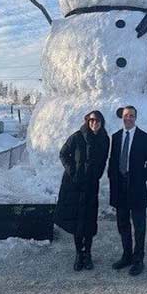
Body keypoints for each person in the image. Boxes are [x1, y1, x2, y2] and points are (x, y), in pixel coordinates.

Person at [54, 110, 109, 271]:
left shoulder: (104, 139)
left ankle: (88, 254)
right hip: (74, 185)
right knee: (77, 220)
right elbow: (63, 154)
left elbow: (104, 159)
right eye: (91, 120)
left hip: (91, 185)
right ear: (87, 121)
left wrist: (97, 174)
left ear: (101, 122)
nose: (94, 123)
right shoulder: (77, 136)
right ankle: (79, 254)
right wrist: (73, 172)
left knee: (89, 221)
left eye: (97, 120)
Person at [108, 105, 147, 276]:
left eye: (132, 115)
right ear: (122, 116)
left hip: (136, 187)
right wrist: (112, 180)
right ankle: (127, 255)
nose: (128, 118)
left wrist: (143, 177)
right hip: (120, 187)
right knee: (122, 224)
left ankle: (138, 260)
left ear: (135, 118)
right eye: (126, 115)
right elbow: (112, 161)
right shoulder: (115, 137)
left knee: (139, 225)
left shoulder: (144, 137)